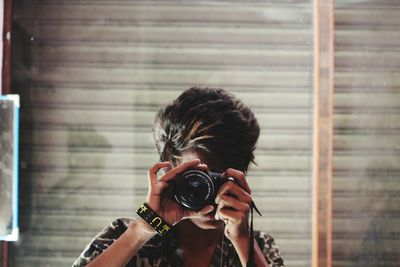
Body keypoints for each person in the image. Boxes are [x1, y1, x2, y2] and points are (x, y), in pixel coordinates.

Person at [72, 87, 285, 267]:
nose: (210, 193)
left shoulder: (258, 246)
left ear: (240, 175)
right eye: (198, 179)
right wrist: (144, 228)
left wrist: (242, 239)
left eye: (219, 179)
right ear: (169, 171)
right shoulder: (124, 237)